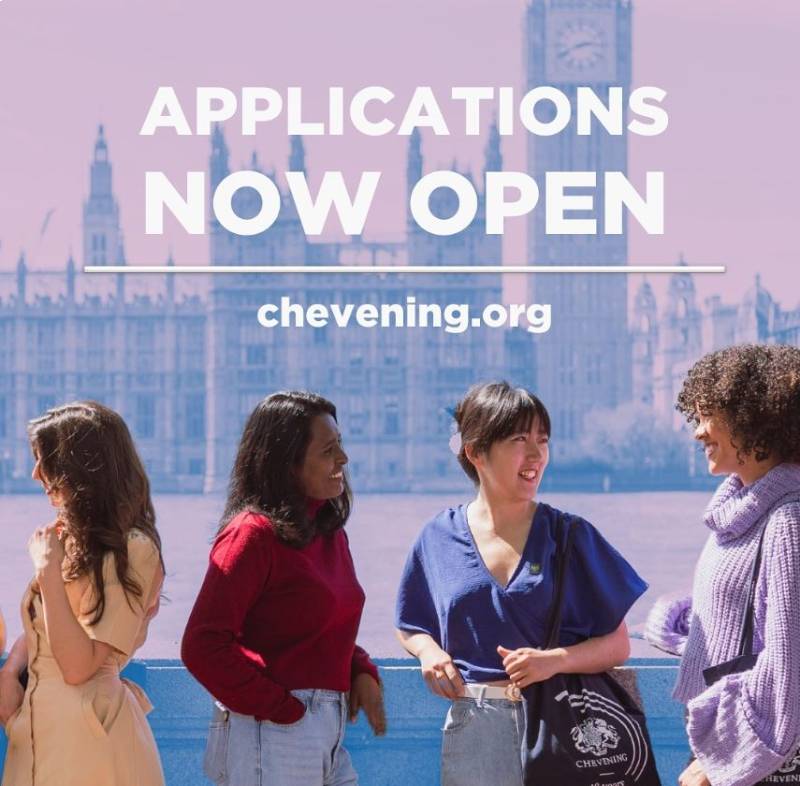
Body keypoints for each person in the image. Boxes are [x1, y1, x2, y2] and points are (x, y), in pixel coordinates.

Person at [395, 381, 648, 786]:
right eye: (519, 440)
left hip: (561, 728)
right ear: (475, 452)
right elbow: (410, 623)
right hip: (475, 730)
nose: (536, 455)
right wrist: (429, 653)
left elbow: (618, 644)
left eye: (542, 441)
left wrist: (555, 660)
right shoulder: (438, 536)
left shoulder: (569, 536)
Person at [181, 391, 385, 786]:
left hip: (327, 730)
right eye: (328, 450)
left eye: (340, 444)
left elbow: (312, 627)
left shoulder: (328, 533)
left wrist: (358, 667)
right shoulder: (252, 535)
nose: (343, 459)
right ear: (287, 463)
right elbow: (202, 644)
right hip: (276, 733)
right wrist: (282, 709)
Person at [645, 345, 800, 786]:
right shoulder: (743, 512)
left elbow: (788, 666)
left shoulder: (788, 519)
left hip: (756, 757)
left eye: (709, 417)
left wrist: (718, 764)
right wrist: (685, 620)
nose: (698, 433)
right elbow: (756, 613)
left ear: (754, 420)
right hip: (733, 746)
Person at [0, 401, 166, 786]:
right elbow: (46, 627)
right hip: (37, 732)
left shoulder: (134, 550)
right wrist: (9, 673)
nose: (35, 473)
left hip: (90, 739)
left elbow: (79, 667)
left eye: (44, 461)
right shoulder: (69, 539)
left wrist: (47, 570)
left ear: (80, 467)